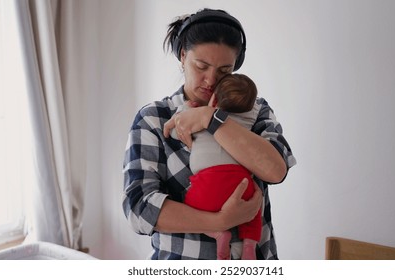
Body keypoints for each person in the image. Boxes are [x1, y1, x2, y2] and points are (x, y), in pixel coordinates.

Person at [122, 8, 296, 260]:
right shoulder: (153, 118)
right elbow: (139, 209)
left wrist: (210, 119)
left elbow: (276, 170)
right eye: (201, 66)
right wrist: (219, 222)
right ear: (182, 56)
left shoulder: (255, 111)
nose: (211, 80)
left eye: (224, 71)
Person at [172, 73, 261, 260]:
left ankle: (218, 233)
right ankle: (249, 246)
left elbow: (176, 131)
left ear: (214, 100)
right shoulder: (248, 121)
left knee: (190, 211)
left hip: (208, 183)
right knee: (254, 209)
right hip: (242, 181)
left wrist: (186, 109)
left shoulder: (199, 122)